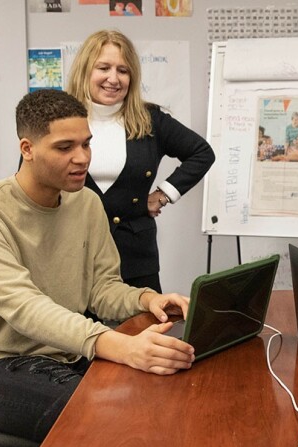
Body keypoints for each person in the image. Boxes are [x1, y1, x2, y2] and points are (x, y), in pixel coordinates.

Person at [0, 89, 196, 444]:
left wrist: (147, 299)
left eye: (86, 144)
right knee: (118, 420)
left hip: (59, 353)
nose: (82, 158)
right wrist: (119, 345)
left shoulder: (86, 202)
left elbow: (102, 288)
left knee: (159, 394)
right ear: (27, 149)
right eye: (64, 147)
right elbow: (23, 307)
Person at [68, 30, 215, 292]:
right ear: (85, 70)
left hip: (136, 261)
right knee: (78, 332)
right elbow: (31, 178)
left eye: (123, 70)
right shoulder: (60, 118)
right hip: (72, 255)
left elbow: (202, 152)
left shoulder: (150, 119)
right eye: (104, 67)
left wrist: (163, 194)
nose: (114, 78)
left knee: (144, 331)